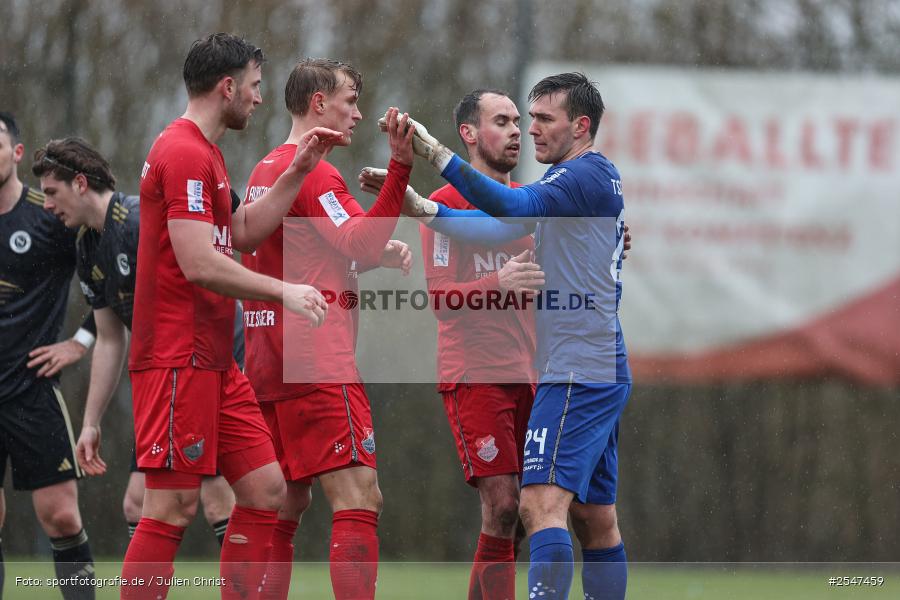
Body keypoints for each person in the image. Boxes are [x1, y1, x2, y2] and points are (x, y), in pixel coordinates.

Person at [385, 73, 631, 600]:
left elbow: (511, 213)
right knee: (592, 517)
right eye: (517, 119)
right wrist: (428, 210)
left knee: (537, 507)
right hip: (569, 363)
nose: (529, 130)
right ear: (472, 132)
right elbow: (496, 230)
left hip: (571, 364)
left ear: (581, 126)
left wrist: (436, 155)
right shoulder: (574, 184)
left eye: (540, 119)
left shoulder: (572, 180)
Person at [123, 34, 341, 600]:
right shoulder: (184, 151)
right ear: (228, 87)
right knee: (172, 505)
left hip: (214, 360)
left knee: (267, 489)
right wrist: (282, 291)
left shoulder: (208, 153)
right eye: (254, 86)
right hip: (176, 355)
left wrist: (298, 170)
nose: (259, 99)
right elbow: (199, 263)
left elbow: (238, 234)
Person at [240, 58, 414, 600]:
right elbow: (357, 238)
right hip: (315, 357)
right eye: (349, 100)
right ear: (318, 103)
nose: (358, 114)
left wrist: (368, 261)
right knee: (360, 497)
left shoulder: (268, 167)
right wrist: (401, 167)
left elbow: (314, 255)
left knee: (285, 502)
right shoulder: (315, 170)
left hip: (267, 358)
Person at [363, 89, 540, 600]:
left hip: (531, 375)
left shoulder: (528, 202)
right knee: (503, 505)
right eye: (501, 121)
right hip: (474, 374)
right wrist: (497, 285)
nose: (514, 132)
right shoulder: (442, 206)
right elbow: (441, 300)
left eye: (517, 122)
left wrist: (611, 240)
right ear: (468, 133)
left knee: (533, 511)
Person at [34, 136, 241, 548]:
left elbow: (205, 283)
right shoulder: (87, 246)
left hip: (208, 361)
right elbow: (110, 339)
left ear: (79, 183)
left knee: (218, 496)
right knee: (137, 503)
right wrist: (90, 422)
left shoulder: (135, 224)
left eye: (52, 192)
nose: (47, 205)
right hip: (166, 374)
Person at [0, 112, 95, 600]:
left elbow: (117, 272)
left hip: (32, 388)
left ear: (16, 152)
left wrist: (80, 342)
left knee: (60, 515)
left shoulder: (50, 215)